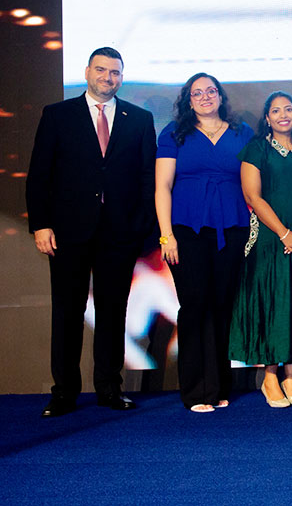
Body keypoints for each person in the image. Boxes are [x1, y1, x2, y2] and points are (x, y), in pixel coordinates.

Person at [27, 47, 156, 417]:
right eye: (101, 70)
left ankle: (109, 389)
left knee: (113, 312)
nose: (107, 78)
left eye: (114, 72)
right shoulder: (57, 115)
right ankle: (64, 393)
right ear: (87, 72)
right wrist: (41, 224)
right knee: (67, 312)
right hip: (68, 232)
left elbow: (147, 177)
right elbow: (40, 174)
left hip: (120, 233)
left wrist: (140, 226)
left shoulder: (139, 119)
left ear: (121, 77)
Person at [228, 92, 292, 408]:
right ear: (267, 118)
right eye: (276, 111)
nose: (283, 115)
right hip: (270, 241)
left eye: (288, 109)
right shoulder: (257, 149)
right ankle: (270, 377)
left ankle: (291, 377)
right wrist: (285, 234)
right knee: (273, 304)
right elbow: (253, 196)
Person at [155, 73, 253, 412]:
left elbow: (253, 183)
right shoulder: (174, 133)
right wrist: (166, 235)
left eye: (211, 91)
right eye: (197, 93)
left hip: (233, 229)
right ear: (188, 100)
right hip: (186, 232)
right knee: (195, 305)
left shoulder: (242, 133)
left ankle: (218, 387)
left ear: (220, 96)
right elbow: (162, 187)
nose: (205, 97)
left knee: (221, 307)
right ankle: (195, 391)